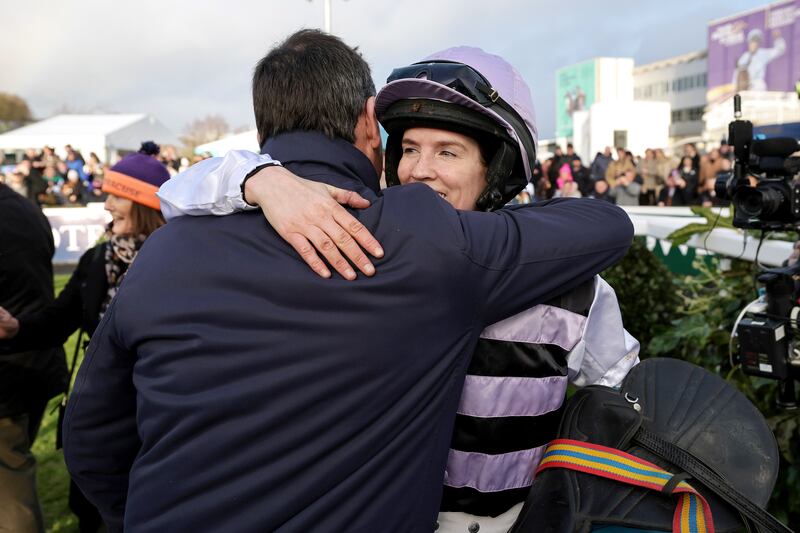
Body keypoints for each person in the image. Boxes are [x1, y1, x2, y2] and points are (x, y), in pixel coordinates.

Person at [64, 30, 633, 533]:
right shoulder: (417, 241)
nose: (418, 171)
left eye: (449, 151)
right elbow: (606, 224)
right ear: (370, 123)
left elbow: (91, 439)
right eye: (408, 148)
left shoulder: (163, 251)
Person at [0, 143, 170, 533]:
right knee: (95, 511)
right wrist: (18, 328)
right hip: (106, 418)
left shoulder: (180, 260)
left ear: (144, 203)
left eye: (116, 195)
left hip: (159, 414)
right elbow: (61, 319)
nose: (105, 204)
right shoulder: (97, 260)